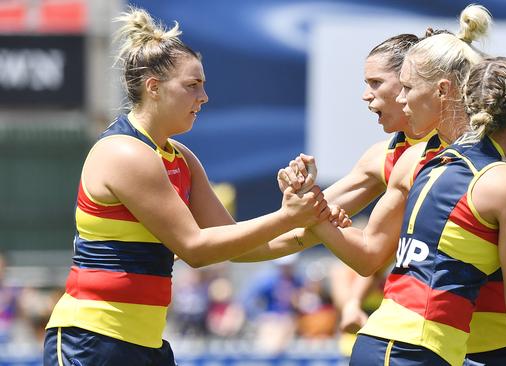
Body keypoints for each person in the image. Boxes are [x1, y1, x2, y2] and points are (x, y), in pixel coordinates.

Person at [42, 7, 332, 365]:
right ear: (154, 88)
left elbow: (234, 243)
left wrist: (315, 229)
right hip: (93, 340)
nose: (204, 97)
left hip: (143, 344)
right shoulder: (125, 152)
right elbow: (196, 249)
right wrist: (289, 217)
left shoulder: (180, 157)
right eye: (193, 85)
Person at [308, 56, 506, 366]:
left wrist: (314, 216)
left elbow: (372, 253)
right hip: (415, 350)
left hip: (385, 341)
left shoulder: (423, 161)